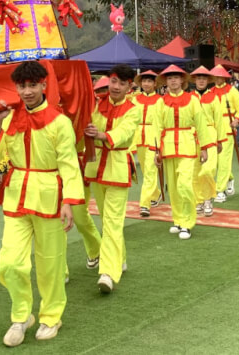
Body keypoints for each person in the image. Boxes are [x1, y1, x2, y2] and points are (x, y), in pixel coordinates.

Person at [0, 61, 85, 347]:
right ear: (16, 88)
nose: (27, 91)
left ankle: (51, 317)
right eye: (22, 86)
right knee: (10, 263)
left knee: (50, 263)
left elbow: (69, 163)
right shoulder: (9, 118)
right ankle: (21, 316)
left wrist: (69, 200)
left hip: (49, 197)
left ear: (44, 85)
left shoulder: (59, 121)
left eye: (32, 85)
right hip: (16, 196)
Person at [84, 64, 141, 294]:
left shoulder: (133, 110)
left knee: (112, 222)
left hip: (117, 168)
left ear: (129, 87)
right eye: (113, 81)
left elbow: (125, 132)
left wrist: (101, 135)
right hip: (95, 167)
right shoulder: (96, 103)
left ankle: (107, 272)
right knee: (107, 219)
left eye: (121, 83)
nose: (115, 86)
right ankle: (120, 258)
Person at [152, 64, 212, 240]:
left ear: (182, 80)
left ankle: (187, 222)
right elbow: (157, 127)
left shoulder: (192, 100)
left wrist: (204, 147)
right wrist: (156, 151)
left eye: (176, 78)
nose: (173, 81)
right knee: (173, 187)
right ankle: (178, 220)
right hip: (168, 147)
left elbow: (200, 124)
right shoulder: (160, 102)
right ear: (166, 82)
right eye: (170, 78)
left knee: (184, 185)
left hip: (187, 145)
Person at [210, 65, 239, 201]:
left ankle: (220, 190)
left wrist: (236, 120)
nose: (217, 78)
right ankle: (229, 178)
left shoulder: (232, 91)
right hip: (213, 128)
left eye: (219, 76)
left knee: (224, 159)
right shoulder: (210, 92)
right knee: (216, 161)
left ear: (224, 77)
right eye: (215, 76)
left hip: (227, 126)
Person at [190, 66, 220, 217]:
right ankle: (198, 200)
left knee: (208, 169)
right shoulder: (189, 97)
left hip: (210, 134)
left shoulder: (214, 97)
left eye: (204, 78)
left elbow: (219, 120)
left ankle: (208, 199)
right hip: (192, 136)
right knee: (195, 171)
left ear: (208, 81)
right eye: (198, 78)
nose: (201, 81)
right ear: (195, 80)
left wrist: (220, 139)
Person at [132, 70, 163, 217]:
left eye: (149, 81)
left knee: (150, 171)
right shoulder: (135, 99)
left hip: (153, 137)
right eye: (144, 81)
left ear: (155, 84)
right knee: (146, 171)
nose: (146, 84)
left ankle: (144, 204)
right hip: (139, 137)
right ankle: (156, 194)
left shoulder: (160, 100)